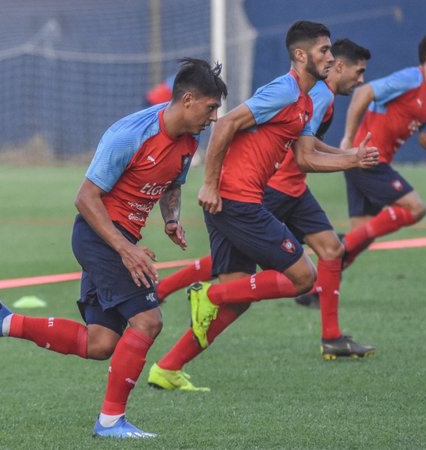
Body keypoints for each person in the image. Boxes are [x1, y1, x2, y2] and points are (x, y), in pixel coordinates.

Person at [0, 57, 227, 439]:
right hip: (99, 236)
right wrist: (124, 249)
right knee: (149, 321)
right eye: (211, 107)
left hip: (120, 240)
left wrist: (170, 219)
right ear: (187, 100)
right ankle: (110, 421)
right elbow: (85, 198)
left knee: (100, 343)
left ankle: (4, 322)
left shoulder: (189, 138)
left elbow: (172, 184)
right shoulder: (129, 134)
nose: (215, 117)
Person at [146, 21, 379, 392]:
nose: (331, 57)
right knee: (303, 277)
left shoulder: (305, 102)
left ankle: (168, 368)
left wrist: (353, 159)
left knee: (239, 297)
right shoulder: (285, 91)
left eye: (331, 51)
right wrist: (209, 184)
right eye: (324, 51)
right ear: (301, 55)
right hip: (235, 199)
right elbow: (225, 126)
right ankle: (208, 294)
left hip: (239, 200)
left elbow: (305, 158)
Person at [295, 30, 426, 308]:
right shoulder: (411, 78)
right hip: (367, 159)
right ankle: (341, 245)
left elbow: (425, 140)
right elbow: (363, 92)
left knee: (360, 237)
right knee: (416, 208)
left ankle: (317, 289)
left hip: (367, 162)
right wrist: (349, 139)